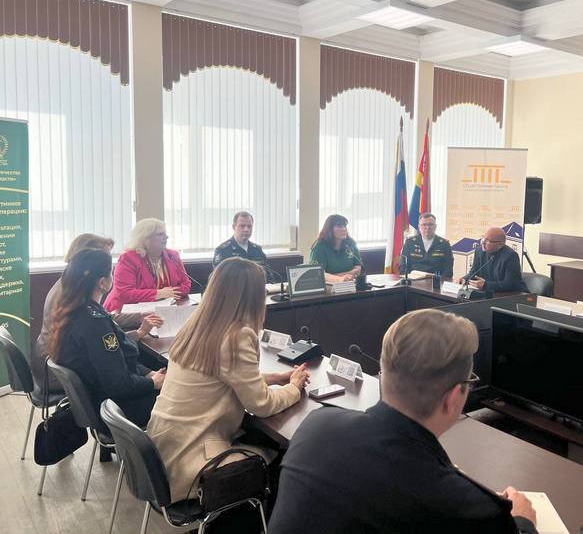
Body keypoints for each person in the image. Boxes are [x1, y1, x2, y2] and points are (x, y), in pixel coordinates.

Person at [269, 309, 538, 533]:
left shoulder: (317, 424)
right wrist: (523, 521)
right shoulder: (469, 507)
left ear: (383, 373)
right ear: (454, 396)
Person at [147, 257, 310, 502]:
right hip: (194, 459)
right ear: (253, 297)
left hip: (164, 450)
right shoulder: (237, 336)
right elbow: (262, 405)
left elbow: (221, 376)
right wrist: (294, 388)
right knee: (289, 454)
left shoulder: (197, 325)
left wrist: (276, 378)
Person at [48, 248, 165, 429]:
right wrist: (152, 383)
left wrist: (149, 374)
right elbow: (118, 383)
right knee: (185, 399)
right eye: (111, 272)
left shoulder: (71, 310)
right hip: (115, 410)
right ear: (102, 283)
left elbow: (116, 359)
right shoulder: (95, 323)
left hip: (101, 400)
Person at [33, 233, 161, 393]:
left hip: (72, 369)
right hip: (65, 378)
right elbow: (116, 380)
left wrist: (148, 372)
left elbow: (104, 341)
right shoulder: (87, 316)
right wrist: (151, 382)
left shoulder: (74, 295)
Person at [103, 218, 191, 312]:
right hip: (125, 313)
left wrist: (169, 293)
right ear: (145, 238)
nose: (166, 237)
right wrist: (159, 294)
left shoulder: (173, 255)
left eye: (165, 233)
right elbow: (125, 294)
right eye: (160, 234)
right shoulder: (128, 258)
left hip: (165, 309)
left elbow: (186, 284)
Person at [461, 227, 527, 293]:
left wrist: (486, 285)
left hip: (513, 294)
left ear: (500, 244)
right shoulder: (479, 251)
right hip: (491, 293)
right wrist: (464, 279)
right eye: (483, 238)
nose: (483, 243)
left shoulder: (511, 256)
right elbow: (473, 273)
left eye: (487, 241)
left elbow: (509, 284)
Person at [309, 214, 363, 283]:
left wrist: (336, 276)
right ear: (329, 229)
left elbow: (358, 269)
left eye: (344, 226)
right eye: (339, 226)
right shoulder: (319, 247)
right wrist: (341, 278)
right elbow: (317, 274)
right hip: (328, 286)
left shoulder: (350, 243)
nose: (344, 229)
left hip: (351, 283)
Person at [401, 212, 454, 278]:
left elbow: (448, 269)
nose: (427, 227)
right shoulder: (410, 242)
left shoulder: (444, 244)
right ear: (419, 227)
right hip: (413, 280)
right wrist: (408, 279)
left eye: (430, 224)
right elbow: (403, 265)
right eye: (424, 224)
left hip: (436, 281)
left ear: (435, 227)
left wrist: (440, 281)